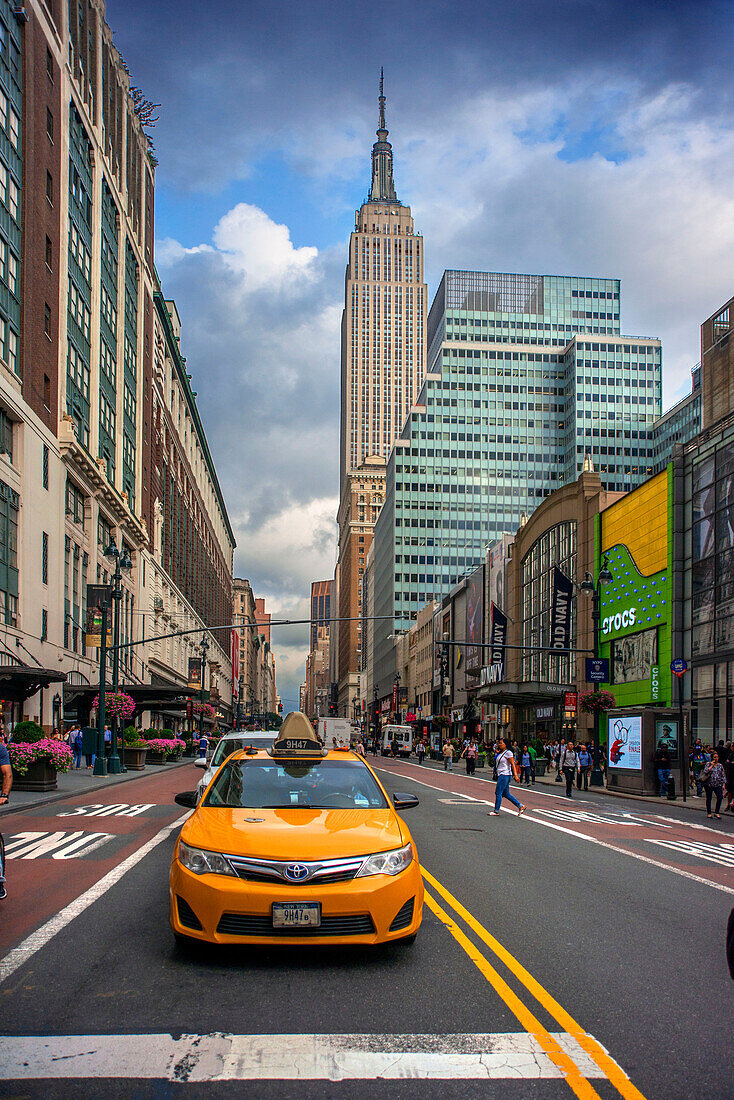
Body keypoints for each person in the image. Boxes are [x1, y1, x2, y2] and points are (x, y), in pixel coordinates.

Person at [487, 738, 525, 817]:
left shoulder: (508, 753)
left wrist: (516, 775)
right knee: (506, 793)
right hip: (502, 774)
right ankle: (520, 806)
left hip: (505, 774)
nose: (499, 744)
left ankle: (496, 810)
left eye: (501, 743)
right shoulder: (502, 752)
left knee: (498, 792)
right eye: (499, 743)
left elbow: (512, 764)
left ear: (506, 744)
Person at [701, 752, 727, 819]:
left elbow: (723, 774)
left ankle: (717, 812)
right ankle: (709, 813)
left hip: (718, 784)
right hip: (709, 784)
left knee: (720, 797)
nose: (716, 759)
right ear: (712, 758)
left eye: (717, 757)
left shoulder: (720, 765)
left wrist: (724, 784)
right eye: (715, 757)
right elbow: (705, 771)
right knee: (709, 798)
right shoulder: (708, 764)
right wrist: (711, 765)